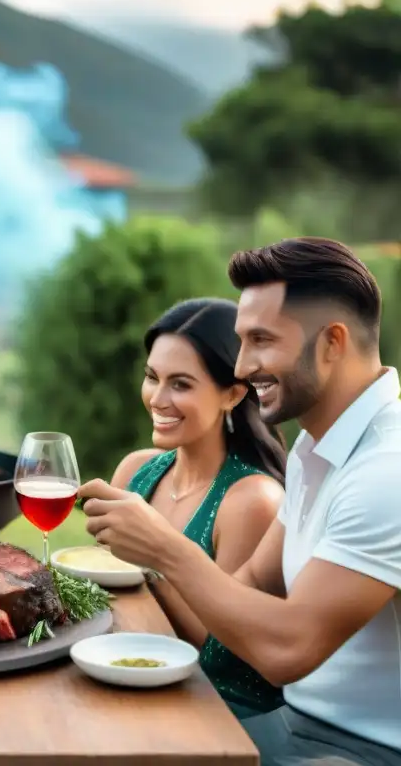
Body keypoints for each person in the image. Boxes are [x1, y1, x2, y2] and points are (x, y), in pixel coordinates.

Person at [80, 237, 401, 765]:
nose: (244, 366)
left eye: (261, 341)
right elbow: (251, 582)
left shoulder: (385, 469)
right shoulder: (317, 448)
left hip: (364, 750)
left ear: (332, 343)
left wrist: (165, 550)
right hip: (295, 725)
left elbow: (287, 650)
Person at [110, 297, 287, 720]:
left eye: (181, 384)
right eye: (152, 377)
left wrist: (154, 552)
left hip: (222, 712)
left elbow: (213, 644)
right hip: (132, 679)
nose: (157, 398)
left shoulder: (251, 501)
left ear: (232, 393)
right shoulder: (136, 471)